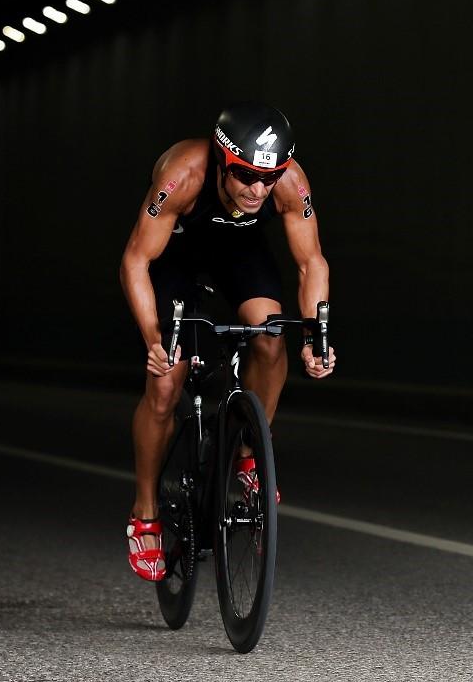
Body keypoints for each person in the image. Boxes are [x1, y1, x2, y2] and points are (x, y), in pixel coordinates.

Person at [118, 102, 336, 581]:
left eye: (269, 177)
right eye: (245, 177)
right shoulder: (183, 174)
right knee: (165, 383)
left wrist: (316, 337)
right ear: (221, 160)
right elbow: (135, 261)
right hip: (177, 255)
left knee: (272, 335)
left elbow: (311, 262)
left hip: (240, 254)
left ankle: (247, 452)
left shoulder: (290, 183)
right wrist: (155, 339)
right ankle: (146, 511)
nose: (259, 189)